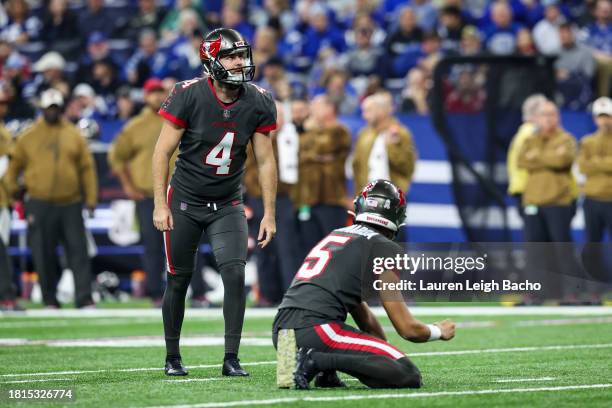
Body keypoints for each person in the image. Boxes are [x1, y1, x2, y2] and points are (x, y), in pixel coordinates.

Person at [152, 28, 278, 377]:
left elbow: (266, 160)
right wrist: (160, 204)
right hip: (186, 200)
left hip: (227, 201)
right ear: (211, 62)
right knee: (179, 278)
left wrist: (269, 212)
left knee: (235, 273)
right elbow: (162, 152)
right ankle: (173, 356)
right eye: (230, 56)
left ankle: (231, 357)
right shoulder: (187, 94)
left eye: (241, 54)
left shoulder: (259, 99)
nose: (240, 62)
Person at [273, 179, 455, 390]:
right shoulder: (385, 248)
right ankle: (318, 362)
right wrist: (438, 331)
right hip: (317, 330)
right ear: (396, 216)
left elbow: (363, 315)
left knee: (374, 357)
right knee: (407, 375)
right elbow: (407, 329)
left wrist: (380, 353)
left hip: (283, 333)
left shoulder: (338, 234)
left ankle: (323, 372)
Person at [6, 88, 98, 308]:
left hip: (71, 201)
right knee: (42, 253)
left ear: (61, 108)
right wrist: (12, 191)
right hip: (39, 202)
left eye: (55, 108)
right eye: (49, 108)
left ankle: (84, 298)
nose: (52, 112)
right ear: (42, 109)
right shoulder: (28, 137)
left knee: (78, 252)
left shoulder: (74, 135)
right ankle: (49, 299)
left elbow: (87, 169)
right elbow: (13, 167)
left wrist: (91, 199)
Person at [108, 78, 172, 307]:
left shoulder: (177, 120)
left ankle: (193, 293)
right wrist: (128, 187)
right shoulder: (135, 126)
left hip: (178, 193)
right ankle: (155, 293)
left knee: (184, 245)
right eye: (152, 92)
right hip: (148, 196)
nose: (156, 96)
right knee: (153, 247)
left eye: (160, 92)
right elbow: (116, 156)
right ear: (145, 97)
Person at [517, 100, 577, 242]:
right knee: (535, 249)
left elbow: (562, 161)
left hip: (558, 202)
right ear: (536, 118)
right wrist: (552, 155)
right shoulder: (529, 140)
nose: (548, 118)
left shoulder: (566, 139)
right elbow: (521, 161)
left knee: (561, 251)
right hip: (532, 201)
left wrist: (536, 156)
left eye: (552, 114)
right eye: (544, 114)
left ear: (558, 117)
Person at [507, 94, 547, 219]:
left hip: (523, 190)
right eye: (545, 113)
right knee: (534, 231)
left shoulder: (521, 133)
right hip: (530, 193)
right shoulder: (532, 134)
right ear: (536, 114)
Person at [578, 96, 612, 241]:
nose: (604, 121)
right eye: (601, 117)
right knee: (592, 244)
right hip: (591, 200)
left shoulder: (587, 143)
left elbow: (589, 165)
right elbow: (583, 167)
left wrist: (595, 162)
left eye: (608, 117)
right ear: (595, 119)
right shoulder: (587, 141)